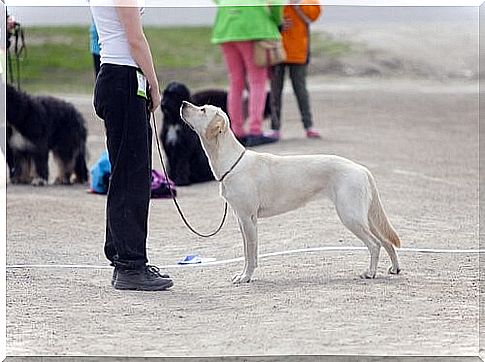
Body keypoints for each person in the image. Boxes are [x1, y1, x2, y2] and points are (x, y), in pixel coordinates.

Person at [90, 1, 173, 291]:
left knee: (127, 173)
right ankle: (130, 264)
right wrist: (154, 83)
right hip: (123, 78)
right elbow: (135, 40)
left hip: (117, 77)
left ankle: (124, 257)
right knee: (132, 177)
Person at [212, 0, 283, 147]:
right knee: (257, 81)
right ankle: (255, 130)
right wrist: (277, 20)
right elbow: (276, 3)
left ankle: (236, 130)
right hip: (253, 28)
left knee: (235, 82)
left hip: (226, 27)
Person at [266, 0, 322, 140]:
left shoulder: (309, 1)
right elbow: (264, 16)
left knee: (300, 90)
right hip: (277, 50)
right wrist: (279, 25)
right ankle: (274, 127)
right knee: (275, 91)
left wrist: (297, 5)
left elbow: (311, 18)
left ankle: (309, 126)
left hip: (298, 52)